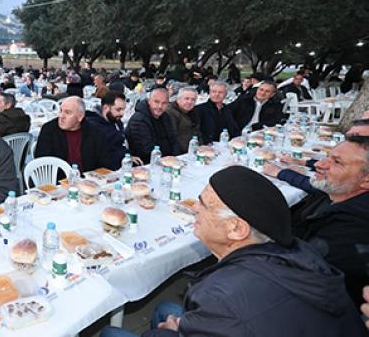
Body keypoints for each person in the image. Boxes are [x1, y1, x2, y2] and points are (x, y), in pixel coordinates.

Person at [102, 166, 367, 337]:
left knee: (112, 333)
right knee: (165, 309)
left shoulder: (222, 298)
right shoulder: (299, 253)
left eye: (203, 205)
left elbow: (234, 312)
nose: (194, 209)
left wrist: (169, 333)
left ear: (237, 229)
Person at [290, 135, 369, 308]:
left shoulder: (348, 230)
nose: (319, 164)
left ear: (366, 180)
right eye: (327, 156)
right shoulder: (341, 201)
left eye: (337, 162)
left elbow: (302, 281)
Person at [34, 96, 113, 172]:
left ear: (80, 117)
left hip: (88, 178)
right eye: (61, 111)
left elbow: (105, 164)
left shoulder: (95, 133)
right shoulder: (49, 130)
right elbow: (42, 164)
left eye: (68, 112)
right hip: (58, 179)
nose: (61, 116)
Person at [125, 89, 181, 163]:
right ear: (149, 101)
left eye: (164, 103)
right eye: (156, 102)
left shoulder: (165, 116)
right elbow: (146, 150)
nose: (160, 106)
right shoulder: (139, 120)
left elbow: (174, 139)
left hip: (168, 160)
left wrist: (176, 157)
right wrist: (167, 159)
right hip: (147, 163)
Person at [84, 91, 127, 170]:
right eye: (118, 110)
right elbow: (106, 156)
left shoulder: (115, 121)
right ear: (105, 108)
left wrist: (128, 157)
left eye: (123, 109)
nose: (122, 113)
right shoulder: (93, 127)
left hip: (120, 164)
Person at [166, 87, 202, 151]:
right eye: (186, 98)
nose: (190, 102)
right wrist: (195, 149)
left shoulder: (193, 111)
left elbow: (197, 132)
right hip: (179, 152)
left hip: (194, 149)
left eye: (193, 100)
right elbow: (173, 138)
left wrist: (201, 146)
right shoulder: (170, 112)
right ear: (178, 99)